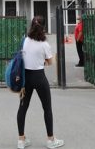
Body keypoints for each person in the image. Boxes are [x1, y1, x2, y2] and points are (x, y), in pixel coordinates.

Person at [17, 16, 64, 149]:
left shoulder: (25, 40)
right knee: (47, 108)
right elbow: (50, 62)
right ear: (43, 27)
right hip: (39, 77)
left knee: (22, 107)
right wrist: (42, 59)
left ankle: (21, 140)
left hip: (26, 77)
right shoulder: (45, 44)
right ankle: (51, 140)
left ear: (31, 26)